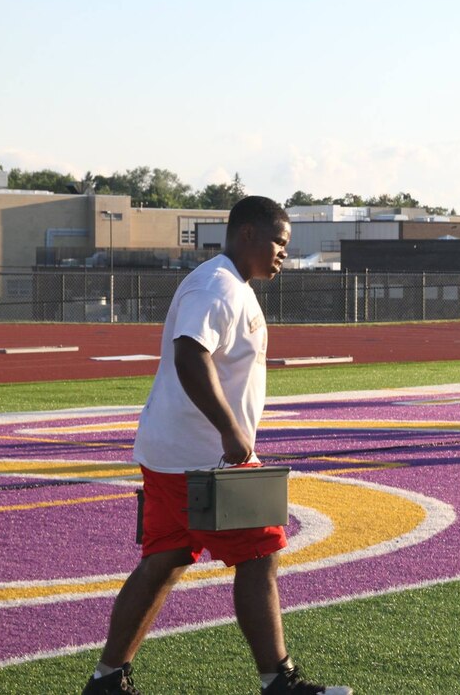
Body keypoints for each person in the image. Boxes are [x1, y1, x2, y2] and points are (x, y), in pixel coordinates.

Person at [83, 197, 350, 695]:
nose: (283, 255)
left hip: (173, 452)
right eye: (279, 242)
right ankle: (279, 680)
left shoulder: (227, 282)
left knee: (166, 555)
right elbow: (190, 354)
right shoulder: (218, 285)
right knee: (260, 553)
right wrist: (230, 431)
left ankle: (107, 678)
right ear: (246, 234)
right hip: (203, 458)